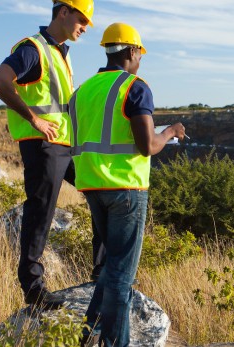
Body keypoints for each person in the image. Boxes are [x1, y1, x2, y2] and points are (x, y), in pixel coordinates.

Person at [69, 22, 185, 346]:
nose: (140, 61)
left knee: (111, 265)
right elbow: (147, 145)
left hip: (92, 187)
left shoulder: (82, 91)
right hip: (127, 190)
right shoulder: (135, 87)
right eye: (140, 55)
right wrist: (171, 132)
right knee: (122, 275)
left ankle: (88, 333)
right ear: (132, 52)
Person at [0, 0, 105, 309]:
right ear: (63, 12)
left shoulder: (60, 54)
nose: (84, 27)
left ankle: (103, 271)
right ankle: (33, 287)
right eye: (82, 19)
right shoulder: (33, 48)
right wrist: (34, 119)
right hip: (43, 144)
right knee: (41, 210)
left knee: (102, 190)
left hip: (65, 145)